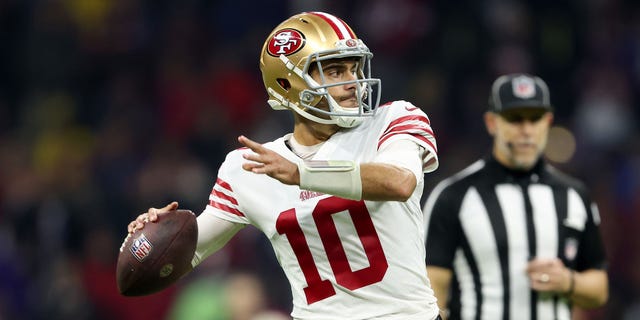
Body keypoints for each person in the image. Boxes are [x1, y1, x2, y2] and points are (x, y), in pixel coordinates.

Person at [128, 11, 441, 320]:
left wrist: (302, 173)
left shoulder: (394, 119)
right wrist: (149, 237)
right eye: (334, 72)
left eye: (354, 68)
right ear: (287, 83)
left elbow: (400, 182)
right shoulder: (249, 166)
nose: (353, 83)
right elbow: (186, 253)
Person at [423, 73, 609, 319]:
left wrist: (567, 281)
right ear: (492, 123)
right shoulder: (453, 196)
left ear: (548, 121)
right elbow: (430, 290)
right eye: (514, 119)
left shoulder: (574, 195)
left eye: (535, 119)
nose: (526, 130)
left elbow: (599, 286)